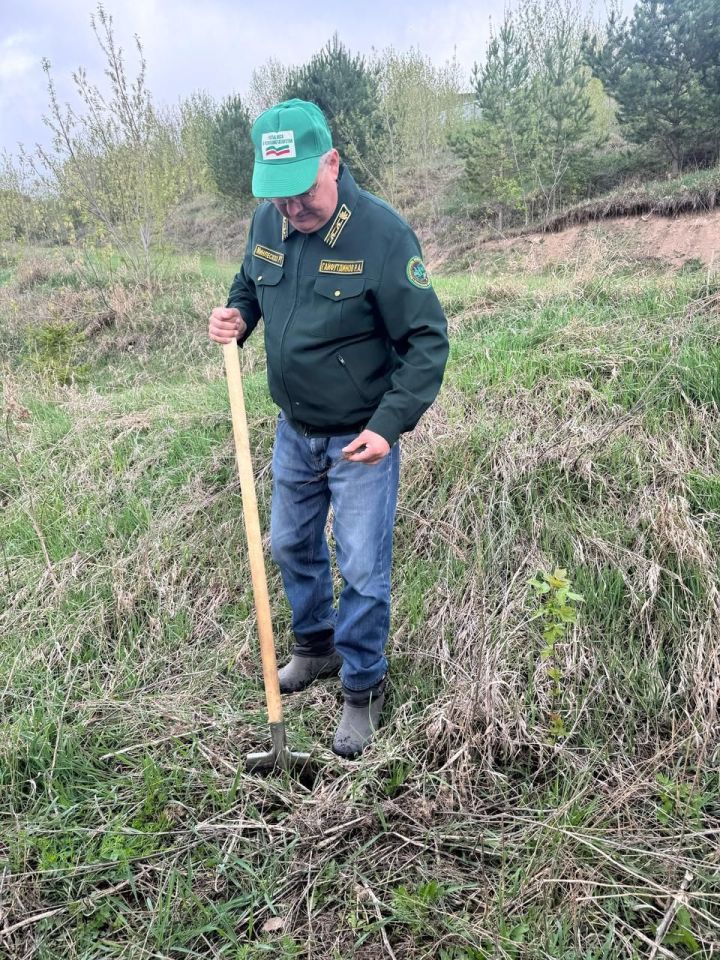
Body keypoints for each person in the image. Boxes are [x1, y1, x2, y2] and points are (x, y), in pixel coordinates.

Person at [208, 99, 448, 758]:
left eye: (302, 193)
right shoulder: (269, 221)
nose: (292, 210)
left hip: (359, 438)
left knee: (365, 568)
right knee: (290, 544)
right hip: (295, 430)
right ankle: (315, 647)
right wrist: (233, 317)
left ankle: (364, 687)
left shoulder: (383, 236)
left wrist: (389, 424)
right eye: (277, 198)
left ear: (332, 163)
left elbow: (427, 340)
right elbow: (249, 289)